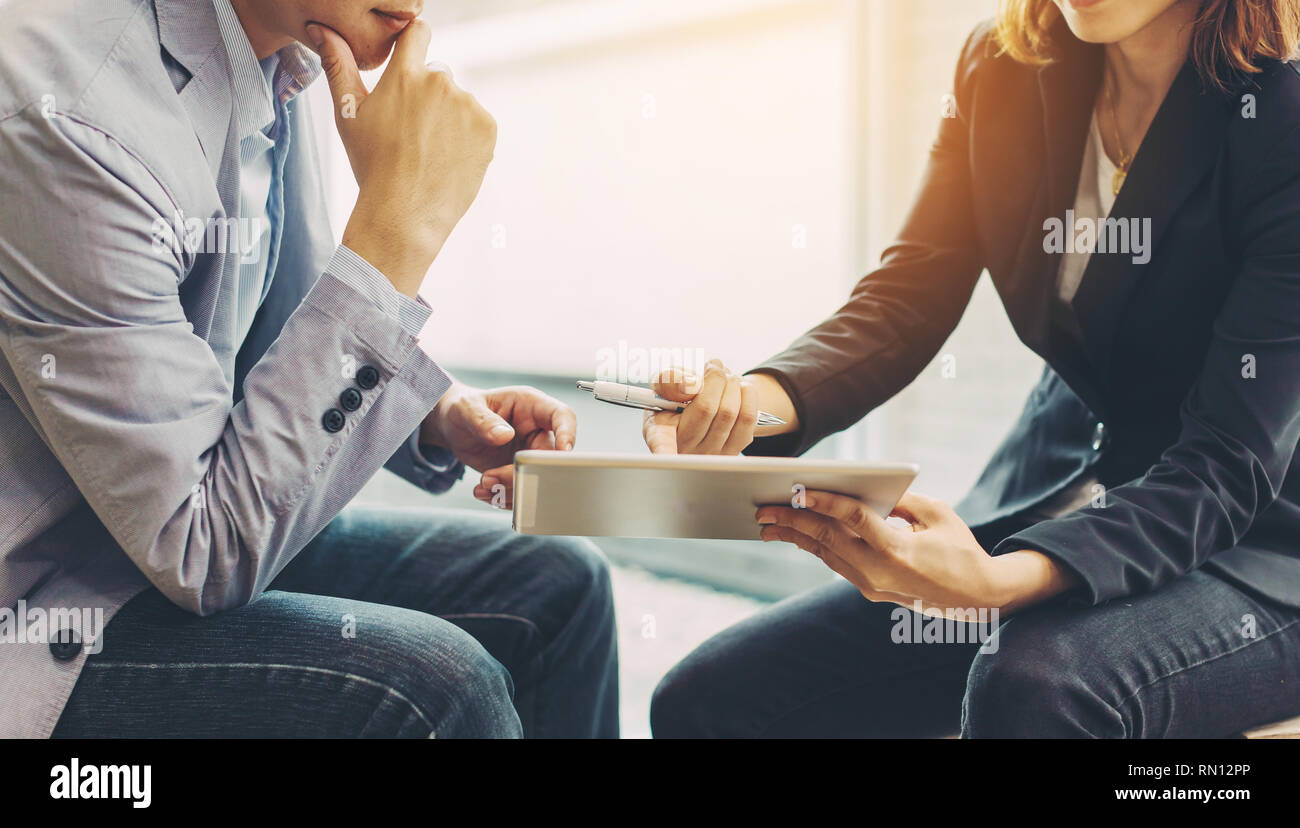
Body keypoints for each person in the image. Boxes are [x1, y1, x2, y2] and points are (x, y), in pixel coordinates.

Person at [643, 0, 1300, 738]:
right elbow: (908, 297)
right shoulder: (1004, 66)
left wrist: (994, 583)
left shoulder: (1283, 111)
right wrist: (751, 404)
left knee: (1036, 685)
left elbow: (1227, 461)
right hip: (1058, 489)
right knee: (712, 700)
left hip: (1261, 547)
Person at [0, 0, 617, 738]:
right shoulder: (70, 114)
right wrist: (400, 222)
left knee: (558, 587)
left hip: (139, 538)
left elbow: (284, 320)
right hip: (40, 601)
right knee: (433, 688)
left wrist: (441, 413)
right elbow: (203, 548)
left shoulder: (288, 55)